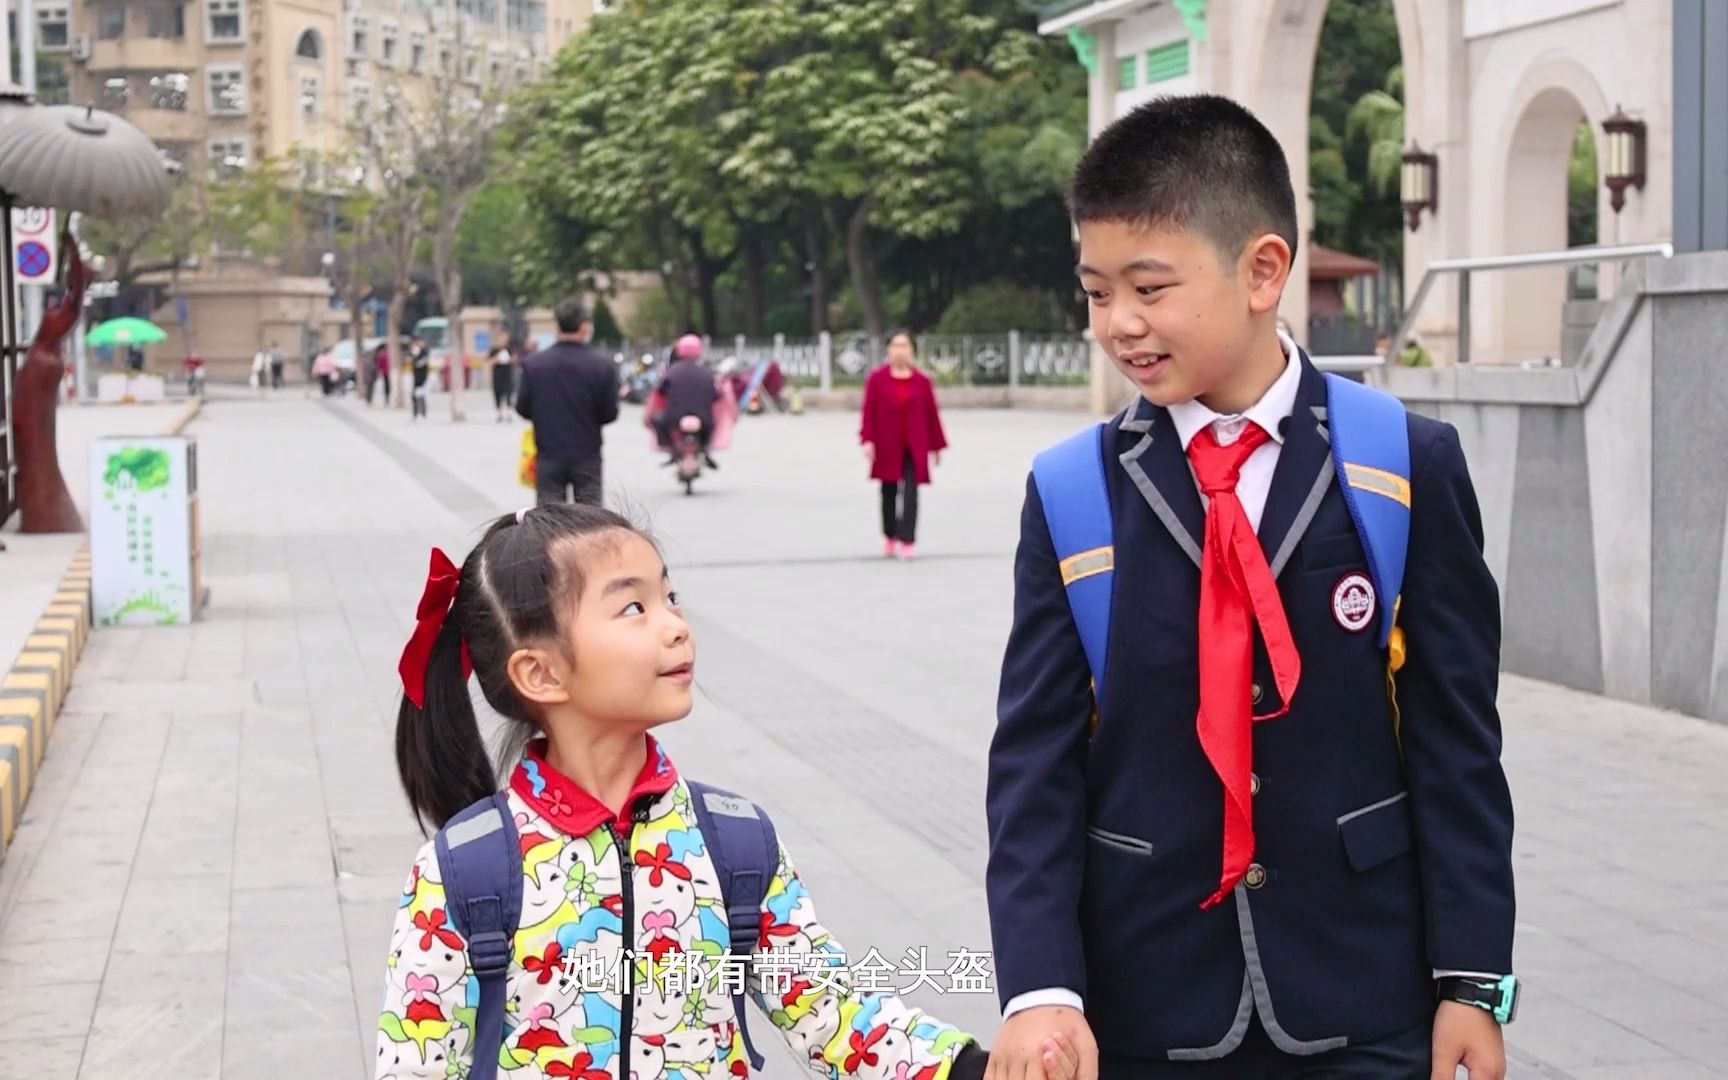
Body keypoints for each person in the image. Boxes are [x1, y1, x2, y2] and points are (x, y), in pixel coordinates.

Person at [985, 95, 1514, 1080]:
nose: (1120, 324)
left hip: (1370, 1002)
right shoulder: (1071, 492)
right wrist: (1042, 992)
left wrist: (1474, 983)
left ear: (1264, 270)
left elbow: (1458, 748)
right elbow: (1034, 768)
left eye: (1149, 286)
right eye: (1097, 291)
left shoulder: (1402, 465)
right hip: (1147, 1008)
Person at [376, 504, 1083, 1080]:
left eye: (669, 596)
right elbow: (413, 1064)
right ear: (541, 674)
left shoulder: (733, 845)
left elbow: (828, 1012)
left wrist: (974, 1070)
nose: (676, 624)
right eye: (633, 609)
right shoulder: (465, 872)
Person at [516, 299, 620, 506]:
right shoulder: (602, 366)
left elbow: (522, 407)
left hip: (548, 453)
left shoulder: (534, 365)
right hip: (587, 454)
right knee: (589, 522)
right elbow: (609, 413)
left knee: (550, 522)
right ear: (584, 326)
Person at [859, 331, 947, 561]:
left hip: (914, 444)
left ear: (912, 350)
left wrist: (937, 447)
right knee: (888, 491)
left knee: (911, 492)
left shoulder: (922, 381)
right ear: (888, 350)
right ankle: (890, 534)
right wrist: (867, 440)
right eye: (896, 345)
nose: (900, 350)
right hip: (886, 442)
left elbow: (931, 414)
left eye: (905, 345)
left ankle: (908, 538)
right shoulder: (877, 379)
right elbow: (868, 412)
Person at [653, 333, 719, 468]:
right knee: (713, 424)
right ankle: (705, 449)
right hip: (703, 418)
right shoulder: (707, 373)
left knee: (657, 419)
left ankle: (671, 449)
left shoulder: (671, 372)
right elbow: (716, 395)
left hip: (674, 417)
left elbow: (660, 391)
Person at [489, 336, 517, 421]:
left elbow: (515, 359)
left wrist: (511, 359)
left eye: (505, 340)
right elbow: (489, 361)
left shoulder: (509, 349)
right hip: (497, 375)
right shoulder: (494, 350)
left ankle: (509, 414)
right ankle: (499, 414)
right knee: (498, 394)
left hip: (507, 375)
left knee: (509, 394)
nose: (503, 342)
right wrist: (496, 359)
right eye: (501, 340)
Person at [409, 336, 432, 421]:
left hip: (421, 379)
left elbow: (420, 364)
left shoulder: (424, 352)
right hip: (417, 378)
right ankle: (417, 414)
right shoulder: (416, 351)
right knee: (416, 396)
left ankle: (422, 414)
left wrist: (415, 357)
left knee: (420, 396)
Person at [370, 340, 392, 406]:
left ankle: (386, 399)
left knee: (385, 386)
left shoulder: (382, 354)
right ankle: (386, 399)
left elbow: (379, 364)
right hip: (385, 372)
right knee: (386, 386)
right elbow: (380, 364)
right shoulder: (384, 354)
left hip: (384, 371)